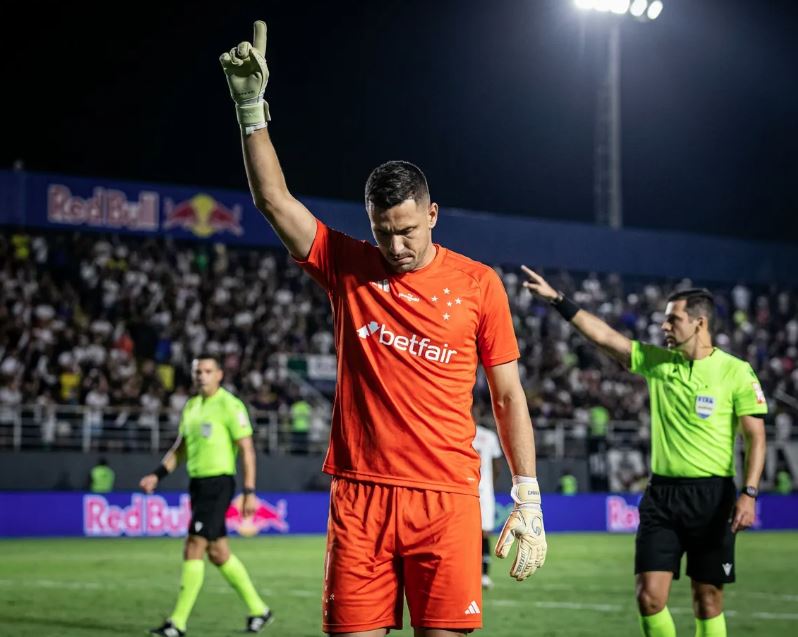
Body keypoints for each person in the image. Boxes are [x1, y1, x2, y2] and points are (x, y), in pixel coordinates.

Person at [220, 21, 547, 636]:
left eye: (407, 229)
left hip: (446, 500)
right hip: (360, 497)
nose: (395, 245)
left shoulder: (479, 284)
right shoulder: (347, 265)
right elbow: (274, 200)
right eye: (382, 231)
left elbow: (507, 396)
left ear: (432, 214)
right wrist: (249, 109)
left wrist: (526, 493)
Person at [522, 269, 767, 637]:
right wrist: (558, 300)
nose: (664, 326)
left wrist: (749, 493)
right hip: (662, 497)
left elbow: (756, 438)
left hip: (713, 497)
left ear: (700, 323)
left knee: (708, 599)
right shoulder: (657, 362)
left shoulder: (735, 372)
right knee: (650, 598)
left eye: (673, 319)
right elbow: (604, 336)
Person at [139, 354, 272, 636]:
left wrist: (249, 491)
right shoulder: (192, 406)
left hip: (219, 483)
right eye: (198, 370)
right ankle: (259, 610)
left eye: (208, 371)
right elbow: (180, 448)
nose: (201, 375)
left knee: (194, 546)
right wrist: (157, 474)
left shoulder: (229, 405)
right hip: (198, 484)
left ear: (219, 375)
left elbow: (247, 450)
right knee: (218, 552)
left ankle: (177, 623)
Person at [472, 421, 504, 590]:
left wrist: (488, 485)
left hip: (476, 490)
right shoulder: (488, 436)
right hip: (477, 491)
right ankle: (479, 575)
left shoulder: (487, 436)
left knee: (483, 533)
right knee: (479, 533)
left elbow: (497, 465)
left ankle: (483, 575)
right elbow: (497, 466)